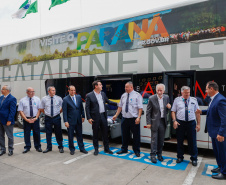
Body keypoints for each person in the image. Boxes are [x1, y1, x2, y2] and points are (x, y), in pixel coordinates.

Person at [198, 81, 226, 180]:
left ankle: (224, 172)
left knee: (222, 152)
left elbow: (224, 118)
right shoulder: (214, 99)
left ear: (211, 89)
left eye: (206, 89)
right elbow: (211, 111)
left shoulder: (220, 100)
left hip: (219, 133)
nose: (205, 91)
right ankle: (220, 167)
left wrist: (221, 133)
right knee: (217, 152)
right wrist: (201, 111)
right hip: (214, 131)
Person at [85, 80, 117, 156]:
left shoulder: (102, 94)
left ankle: (106, 148)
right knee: (95, 134)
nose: (102, 86)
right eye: (100, 85)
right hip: (95, 117)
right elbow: (87, 108)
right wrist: (89, 118)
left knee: (105, 133)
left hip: (103, 116)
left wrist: (118, 104)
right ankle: (96, 149)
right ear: (96, 86)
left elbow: (108, 101)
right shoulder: (89, 95)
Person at [171, 86, 200, 166]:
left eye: (188, 92)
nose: (187, 94)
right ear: (181, 92)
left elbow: (197, 113)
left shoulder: (194, 100)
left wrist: (198, 124)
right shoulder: (177, 100)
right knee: (180, 141)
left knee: (192, 141)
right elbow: (173, 111)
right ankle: (180, 157)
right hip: (180, 123)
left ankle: (194, 158)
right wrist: (174, 121)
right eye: (185, 93)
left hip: (191, 123)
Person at [113, 81, 143, 157]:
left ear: (131, 87)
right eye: (125, 87)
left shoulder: (137, 95)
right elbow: (120, 106)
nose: (125, 88)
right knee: (124, 134)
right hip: (125, 118)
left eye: (127, 87)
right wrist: (116, 115)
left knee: (136, 135)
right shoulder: (123, 95)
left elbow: (140, 108)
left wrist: (139, 117)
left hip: (134, 119)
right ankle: (124, 149)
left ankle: (136, 150)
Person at [146, 84, 171, 163]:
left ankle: (159, 154)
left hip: (163, 121)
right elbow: (148, 112)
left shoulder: (166, 97)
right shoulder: (151, 98)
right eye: (158, 90)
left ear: (164, 91)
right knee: (154, 140)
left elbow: (166, 109)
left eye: (161, 90)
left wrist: (169, 107)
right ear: (156, 90)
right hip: (154, 122)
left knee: (161, 140)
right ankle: (153, 155)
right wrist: (148, 122)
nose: (159, 92)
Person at [62, 85, 88, 155]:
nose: (73, 92)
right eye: (72, 90)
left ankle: (82, 148)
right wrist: (66, 121)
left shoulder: (78, 97)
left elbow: (81, 108)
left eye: (74, 90)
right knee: (70, 136)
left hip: (78, 120)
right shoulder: (65, 99)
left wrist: (83, 116)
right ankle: (72, 149)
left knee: (80, 135)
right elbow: (65, 111)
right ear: (69, 91)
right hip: (70, 121)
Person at [18, 87, 42, 153]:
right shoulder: (22, 100)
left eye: (33, 91)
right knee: (27, 133)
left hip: (35, 119)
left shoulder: (37, 99)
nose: (32, 93)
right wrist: (26, 119)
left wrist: (36, 118)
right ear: (27, 92)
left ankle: (38, 146)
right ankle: (27, 147)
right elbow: (20, 111)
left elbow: (39, 109)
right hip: (27, 119)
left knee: (36, 133)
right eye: (31, 91)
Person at [40, 86, 64, 153]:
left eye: (54, 90)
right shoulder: (44, 99)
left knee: (58, 133)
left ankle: (60, 147)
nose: (54, 91)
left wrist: (59, 112)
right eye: (52, 90)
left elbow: (63, 106)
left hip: (56, 117)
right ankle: (49, 147)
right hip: (48, 118)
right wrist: (46, 113)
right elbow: (41, 108)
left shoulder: (58, 98)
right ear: (48, 91)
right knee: (48, 133)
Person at [0, 85, 17, 156]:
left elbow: (12, 111)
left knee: (9, 136)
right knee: (1, 136)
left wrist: (9, 120)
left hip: (7, 121)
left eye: (2, 89)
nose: (1, 90)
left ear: (7, 90)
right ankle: (2, 149)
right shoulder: (1, 97)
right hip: (0, 120)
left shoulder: (12, 98)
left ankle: (10, 149)